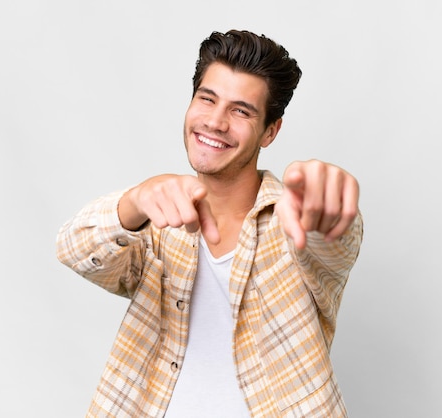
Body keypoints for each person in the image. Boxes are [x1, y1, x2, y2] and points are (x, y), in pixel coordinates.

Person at [56, 29, 363, 418]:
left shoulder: (294, 221)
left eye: (241, 110)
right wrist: (134, 201)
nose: (215, 122)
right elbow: (74, 250)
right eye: (207, 99)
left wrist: (328, 208)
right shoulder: (159, 218)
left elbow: (335, 241)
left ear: (270, 131)